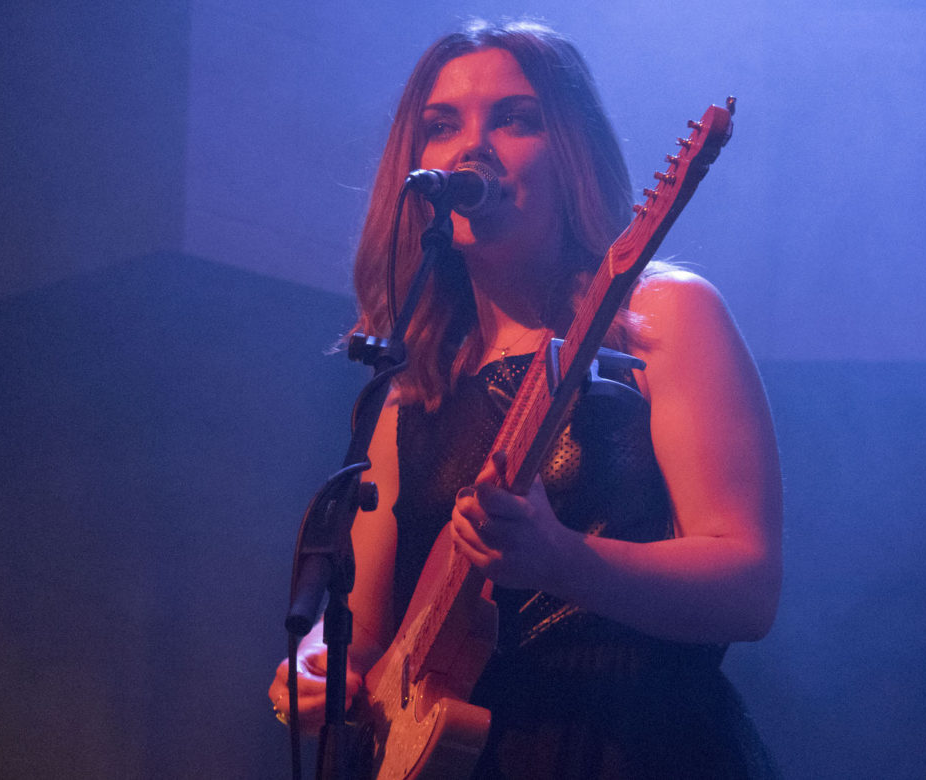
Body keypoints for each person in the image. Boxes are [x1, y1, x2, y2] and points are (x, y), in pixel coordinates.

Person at [269, 19, 783, 779]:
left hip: (632, 744)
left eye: (515, 119)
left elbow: (749, 585)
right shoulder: (412, 385)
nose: (471, 147)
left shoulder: (660, 316)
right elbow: (369, 635)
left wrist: (563, 562)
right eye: (441, 126)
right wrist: (318, 666)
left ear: (572, 153)